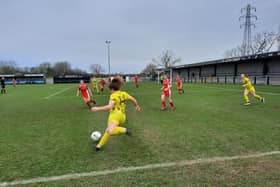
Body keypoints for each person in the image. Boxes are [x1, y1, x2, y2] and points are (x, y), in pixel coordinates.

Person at [91, 77, 141, 151]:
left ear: (112, 89)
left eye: (110, 90)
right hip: (122, 116)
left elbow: (109, 106)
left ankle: (125, 130)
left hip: (115, 115)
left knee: (110, 131)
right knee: (108, 130)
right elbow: (133, 99)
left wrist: (97, 108)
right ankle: (98, 146)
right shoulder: (124, 93)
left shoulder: (113, 95)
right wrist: (136, 106)